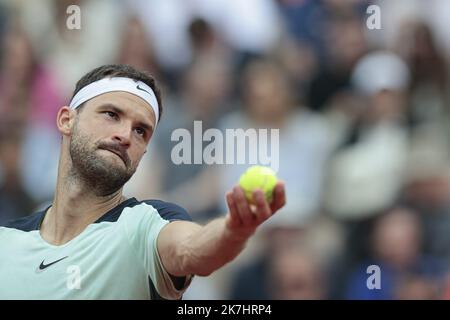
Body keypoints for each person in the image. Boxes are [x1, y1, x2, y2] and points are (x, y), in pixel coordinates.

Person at [0, 64, 286, 299]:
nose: (125, 136)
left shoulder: (147, 224)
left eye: (141, 131)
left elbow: (193, 249)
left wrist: (232, 231)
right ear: (66, 120)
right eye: (112, 115)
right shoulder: (5, 241)